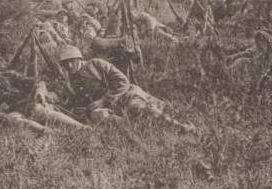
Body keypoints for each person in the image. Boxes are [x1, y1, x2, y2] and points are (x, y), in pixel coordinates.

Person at [57, 45, 194, 132]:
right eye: (65, 64)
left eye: (71, 61)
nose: (69, 66)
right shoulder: (73, 81)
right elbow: (78, 100)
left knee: (142, 110)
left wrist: (104, 100)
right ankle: (136, 132)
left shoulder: (96, 64)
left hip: (125, 95)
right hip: (112, 107)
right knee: (102, 116)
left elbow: (122, 82)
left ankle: (180, 127)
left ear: (78, 58)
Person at [0, 51, 86, 131]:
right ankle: (46, 132)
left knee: (41, 111)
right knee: (15, 120)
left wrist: (39, 92)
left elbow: (36, 82)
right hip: (9, 113)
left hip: (26, 105)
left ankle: (82, 128)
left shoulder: (9, 76)